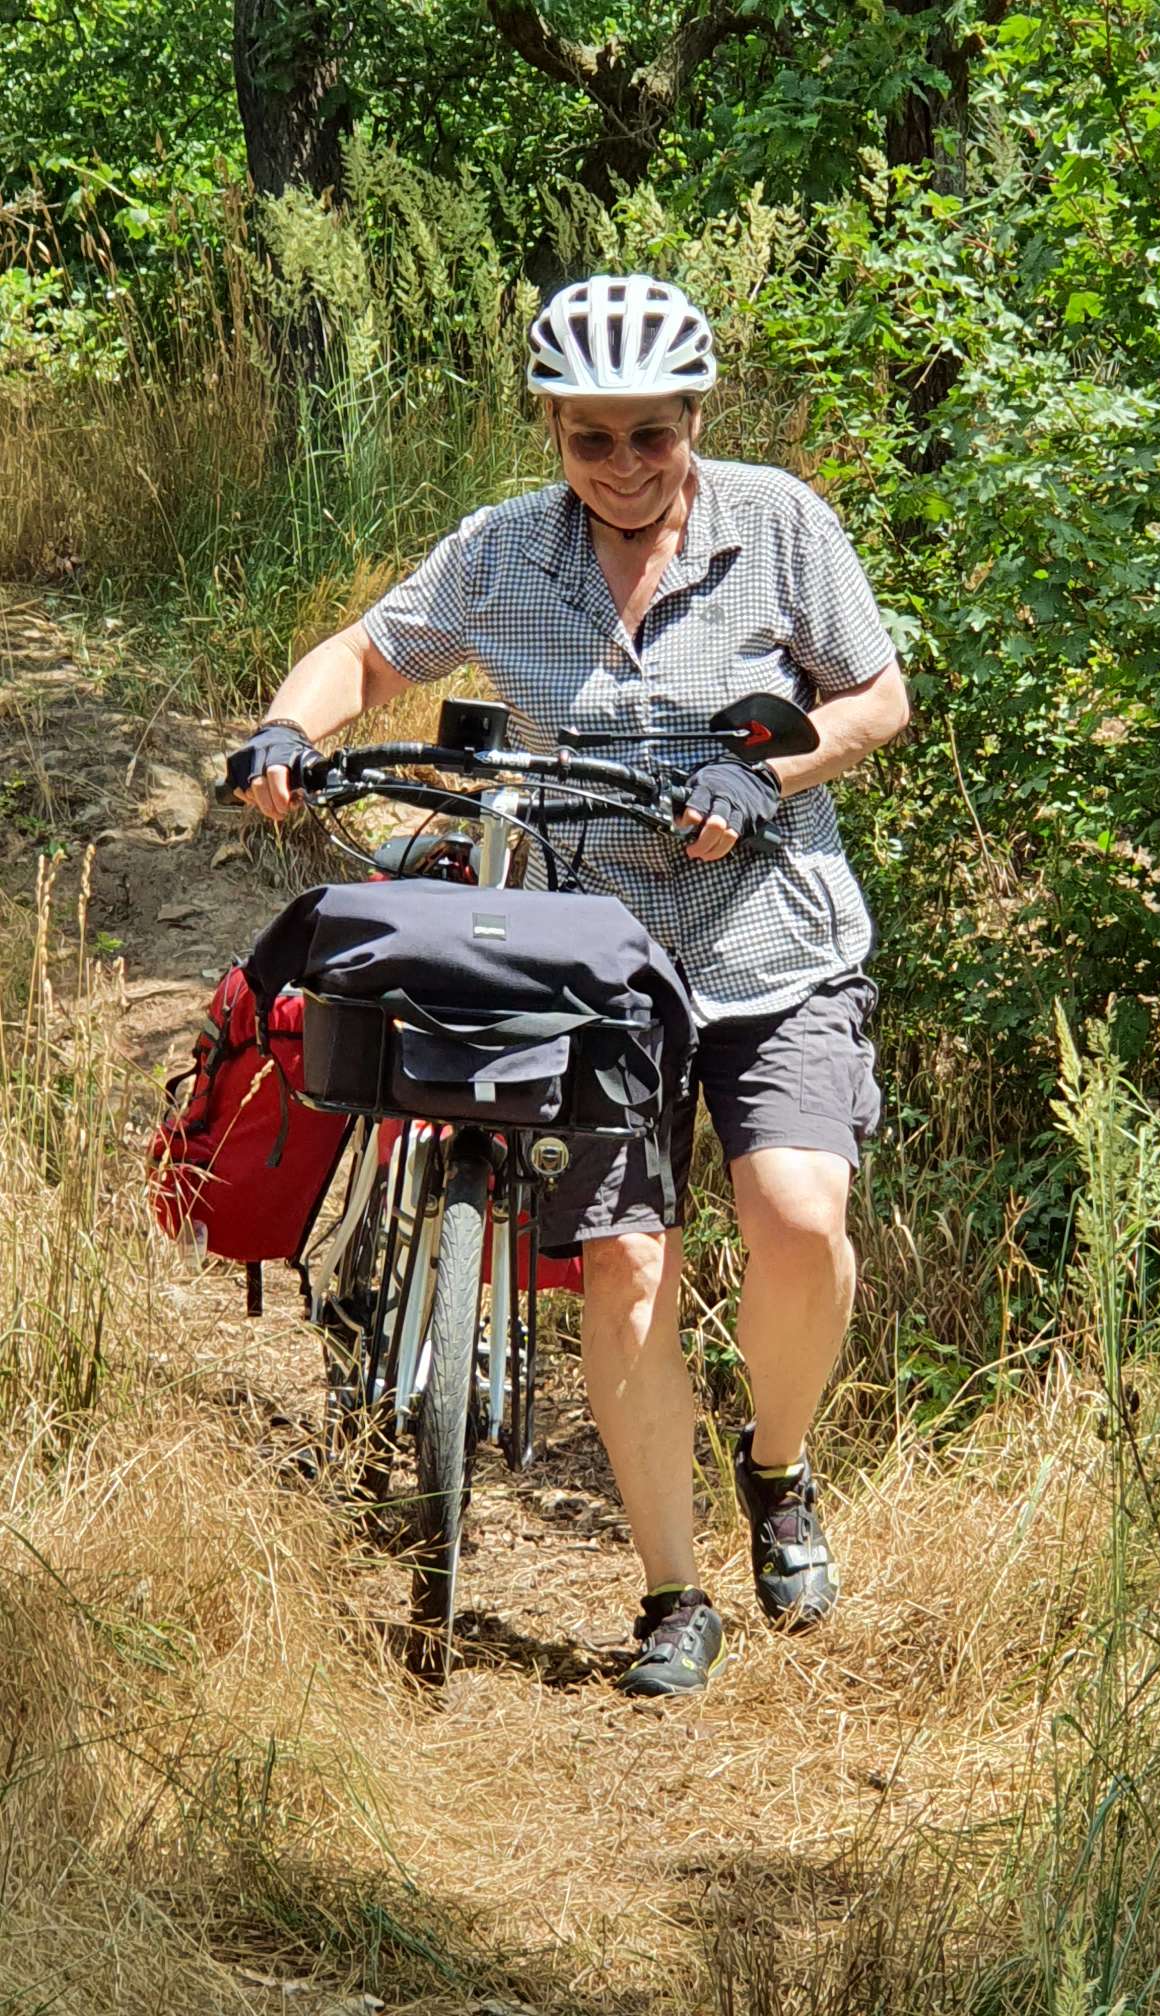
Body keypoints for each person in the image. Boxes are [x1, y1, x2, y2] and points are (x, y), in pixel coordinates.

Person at [227, 273, 910, 1697]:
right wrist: (288, 731)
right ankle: (675, 1593)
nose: (622, 466)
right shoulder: (501, 553)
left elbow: (880, 698)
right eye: (589, 439)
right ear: (551, 431)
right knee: (622, 1260)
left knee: (794, 1217)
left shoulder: (779, 522)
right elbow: (367, 652)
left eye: (649, 435)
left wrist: (764, 769)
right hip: (587, 956)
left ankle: (776, 1469)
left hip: (772, 938)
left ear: (693, 418)